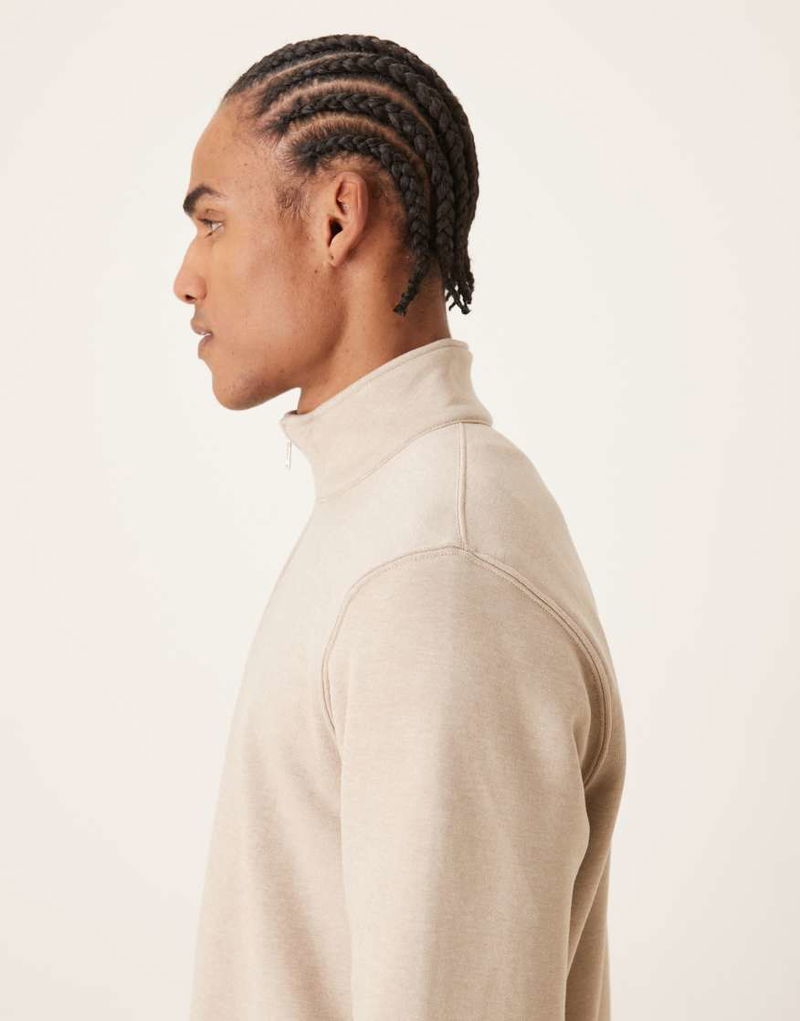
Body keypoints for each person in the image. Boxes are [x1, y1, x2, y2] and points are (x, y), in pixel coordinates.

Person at [173, 33, 626, 1021]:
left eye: (212, 222)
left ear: (338, 217)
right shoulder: (391, 519)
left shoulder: (433, 565)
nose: (185, 277)